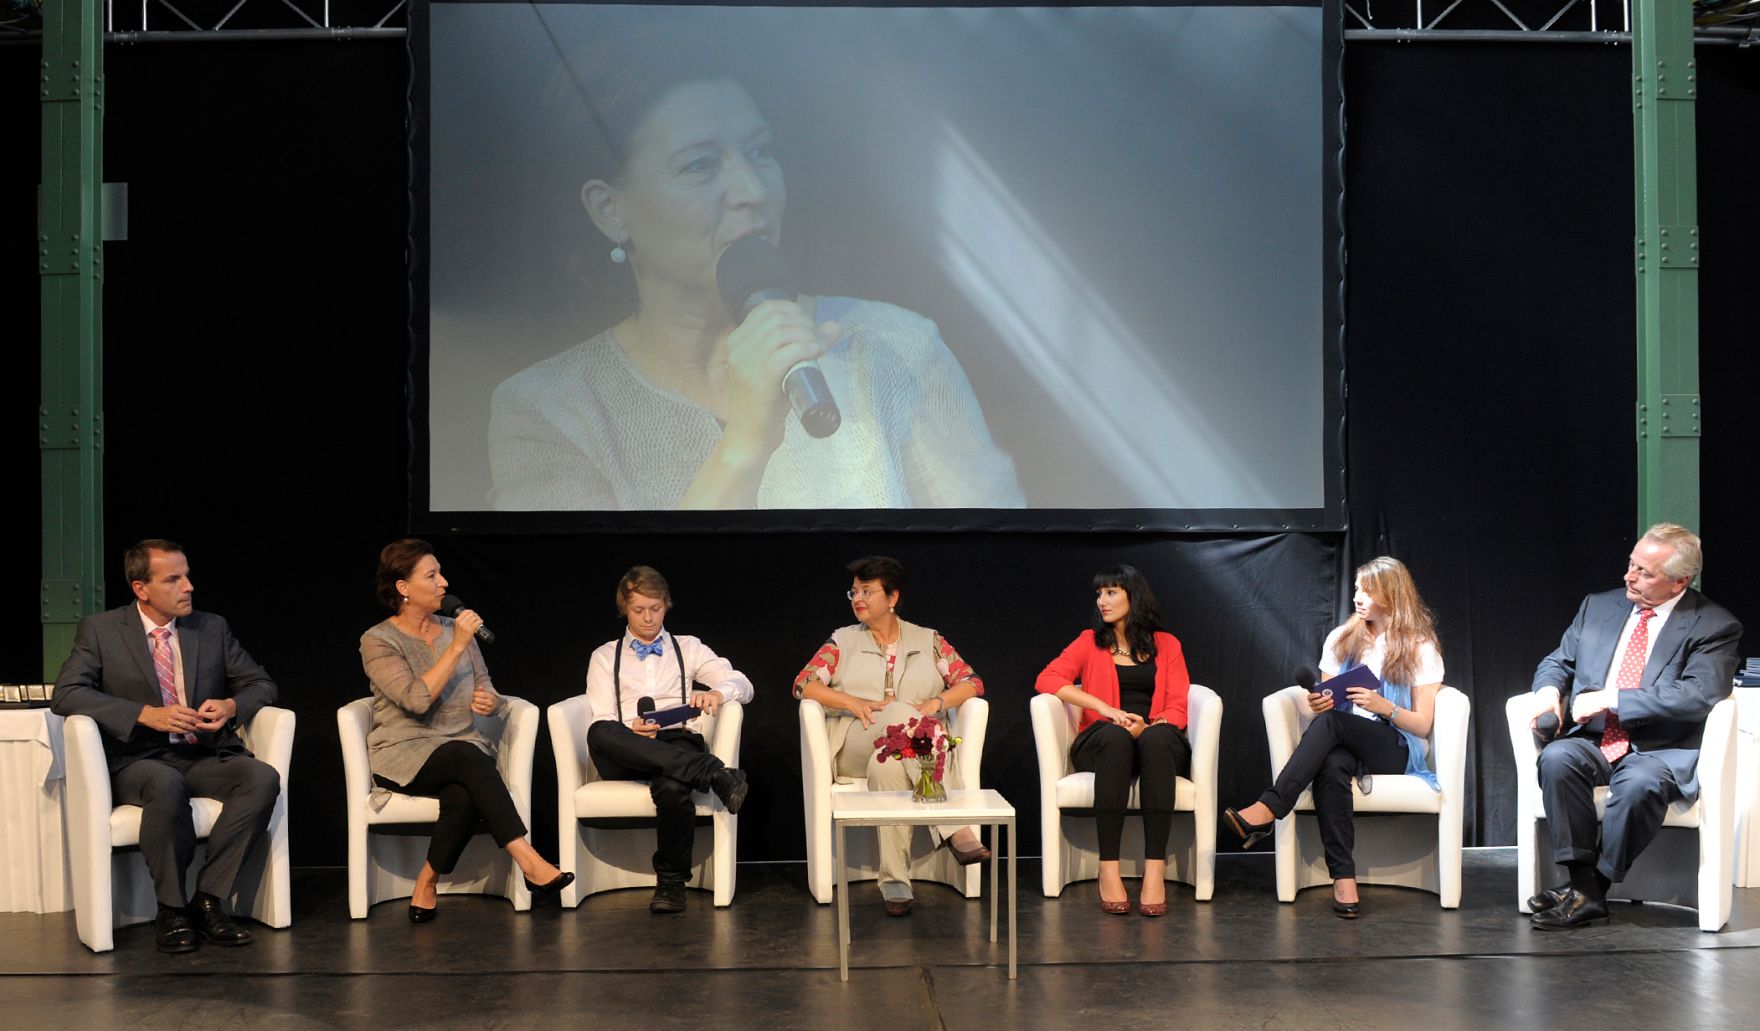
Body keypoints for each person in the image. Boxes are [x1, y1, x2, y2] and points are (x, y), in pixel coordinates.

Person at [487, 35, 1022, 511]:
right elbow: (619, 606)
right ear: (610, 210)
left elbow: (992, 560)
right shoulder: (548, 408)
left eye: (761, 152)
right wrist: (744, 441)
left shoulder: (897, 346)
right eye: (700, 164)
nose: (754, 191)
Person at [51, 539, 282, 954]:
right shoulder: (102, 630)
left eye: (187, 575)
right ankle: (171, 908)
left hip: (200, 753)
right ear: (142, 589)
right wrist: (143, 713)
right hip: (138, 760)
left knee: (261, 777)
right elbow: (66, 693)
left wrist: (232, 705)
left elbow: (261, 683)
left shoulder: (210, 628)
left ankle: (209, 900)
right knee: (165, 782)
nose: (188, 586)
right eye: (173, 579)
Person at [1524, 523, 1741, 929]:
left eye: (1645, 572)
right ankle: (1581, 885)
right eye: (1631, 565)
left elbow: (1700, 694)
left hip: (1660, 747)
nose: (1630, 576)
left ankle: (1591, 889)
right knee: (1557, 759)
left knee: (1639, 784)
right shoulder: (1598, 607)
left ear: (1680, 582)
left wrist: (1614, 699)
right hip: (1595, 740)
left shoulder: (1712, 625)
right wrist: (1546, 691)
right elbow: (1558, 661)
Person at [359, 539, 572, 922]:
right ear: (403, 588)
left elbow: (484, 683)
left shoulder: (452, 629)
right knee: (466, 758)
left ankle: (426, 881)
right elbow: (416, 700)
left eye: (441, 572)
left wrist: (491, 701)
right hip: (406, 753)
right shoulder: (378, 641)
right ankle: (530, 861)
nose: (444, 582)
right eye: (431, 575)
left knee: (462, 792)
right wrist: (455, 646)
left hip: (462, 750)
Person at [1224, 556, 1444, 918]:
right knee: (1331, 763)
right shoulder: (1342, 639)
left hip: (1395, 746)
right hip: (1343, 737)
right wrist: (1319, 701)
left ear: (1393, 595)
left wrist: (1381, 705)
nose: (1358, 597)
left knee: (1332, 728)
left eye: (1369, 591)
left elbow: (1421, 725)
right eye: (1357, 588)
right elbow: (1328, 705)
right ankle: (1344, 879)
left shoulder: (1420, 646)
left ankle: (1270, 807)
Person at [792, 555, 991, 916]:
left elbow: (972, 682)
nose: (857, 599)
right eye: (853, 592)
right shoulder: (842, 642)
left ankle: (896, 883)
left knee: (889, 767)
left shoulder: (928, 640)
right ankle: (955, 828)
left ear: (892, 597)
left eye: (867, 591)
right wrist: (851, 702)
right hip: (858, 738)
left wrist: (938, 701)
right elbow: (804, 684)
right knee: (899, 711)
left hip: (908, 749)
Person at [584, 566, 754, 913]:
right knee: (598, 731)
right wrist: (631, 730)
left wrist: (719, 693)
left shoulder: (688, 648)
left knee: (673, 786)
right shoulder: (604, 656)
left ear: (666, 605)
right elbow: (602, 716)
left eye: (655, 608)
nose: (648, 618)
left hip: (676, 741)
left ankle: (672, 884)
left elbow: (744, 684)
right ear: (624, 609)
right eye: (638, 610)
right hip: (624, 746)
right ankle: (714, 773)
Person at [1034, 565, 1193, 917]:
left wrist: (1151, 725)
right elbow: (1048, 679)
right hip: (1104, 740)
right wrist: (1104, 707)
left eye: (1111, 592)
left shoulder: (1167, 644)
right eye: (1099, 594)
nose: (1102, 601)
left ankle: (1155, 871)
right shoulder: (1089, 642)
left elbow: (1180, 703)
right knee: (1115, 736)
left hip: (1156, 738)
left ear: (1133, 596)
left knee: (1155, 741)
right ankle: (1108, 868)